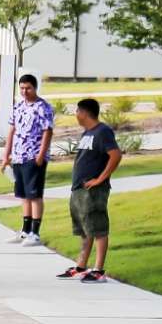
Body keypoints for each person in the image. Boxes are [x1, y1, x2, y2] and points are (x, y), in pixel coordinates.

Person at [58, 98, 122, 283]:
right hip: (79, 188)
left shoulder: (103, 132)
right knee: (85, 229)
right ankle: (81, 266)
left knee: (98, 228)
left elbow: (116, 155)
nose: (76, 115)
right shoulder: (88, 133)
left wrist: (101, 179)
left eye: (77, 111)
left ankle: (99, 270)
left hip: (94, 191)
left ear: (85, 113)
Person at [2, 74, 55, 247]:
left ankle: (35, 232)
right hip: (18, 156)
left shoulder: (43, 107)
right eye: (22, 88)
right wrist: (6, 155)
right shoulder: (18, 107)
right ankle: (25, 231)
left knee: (34, 195)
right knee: (23, 195)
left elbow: (48, 131)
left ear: (35, 87)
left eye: (28, 88)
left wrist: (41, 154)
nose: (25, 91)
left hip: (34, 156)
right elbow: (11, 131)